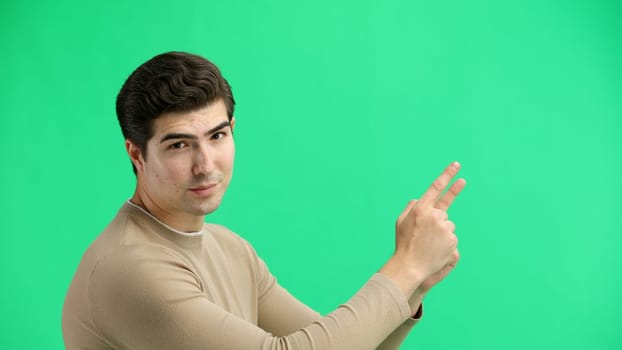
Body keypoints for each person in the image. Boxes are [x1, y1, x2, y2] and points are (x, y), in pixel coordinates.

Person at [62, 51, 466, 349]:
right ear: (136, 154)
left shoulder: (229, 248)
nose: (205, 165)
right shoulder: (128, 268)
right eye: (180, 145)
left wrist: (415, 284)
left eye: (217, 136)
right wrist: (405, 267)